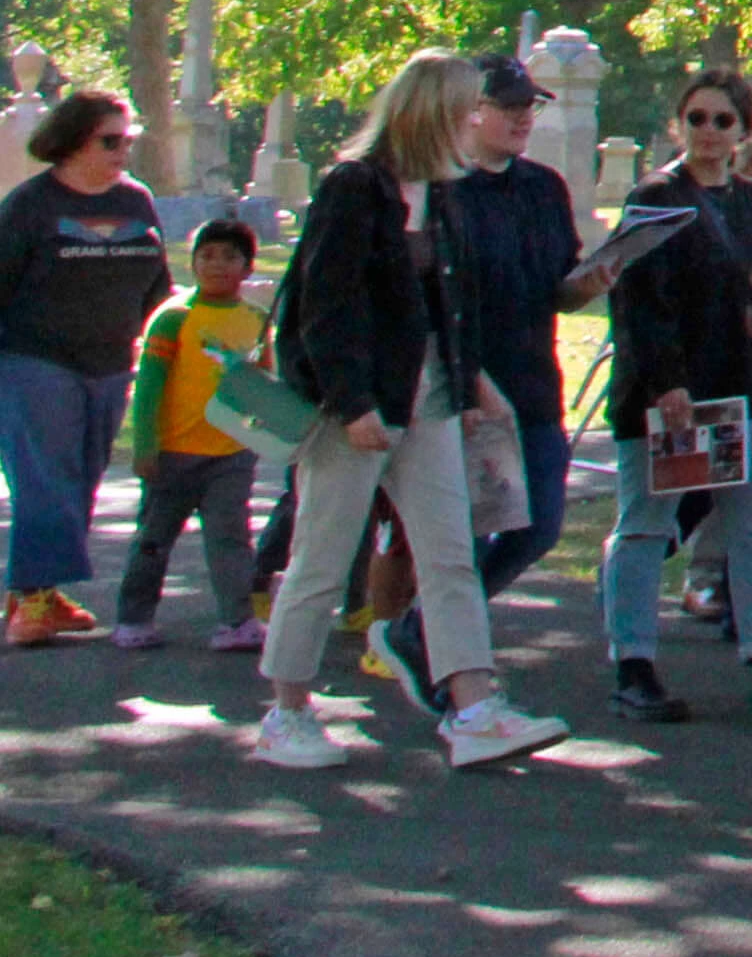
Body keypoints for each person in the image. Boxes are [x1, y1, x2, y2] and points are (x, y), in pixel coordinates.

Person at [251, 55, 569, 774]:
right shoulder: (353, 187)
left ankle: (474, 706)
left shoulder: (443, 192)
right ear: (431, 112)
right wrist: (353, 402)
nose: (474, 124)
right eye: (465, 110)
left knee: (451, 550)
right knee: (324, 558)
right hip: (358, 399)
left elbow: (440, 304)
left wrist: (471, 381)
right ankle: (287, 710)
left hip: (428, 391)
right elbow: (325, 305)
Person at [600, 68, 752, 724]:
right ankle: (634, 665)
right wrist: (667, 385)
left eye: (722, 121)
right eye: (696, 119)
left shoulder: (744, 199)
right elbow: (639, 301)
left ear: (743, 131)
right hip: (669, 393)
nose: (708, 132)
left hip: (738, 387)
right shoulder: (654, 196)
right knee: (646, 527)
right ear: (677, 125)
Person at [444, 54, 604, 676]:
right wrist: (467, 386)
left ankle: (427, 628)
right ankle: (442, 643)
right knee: (462, 534)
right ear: (470, 110)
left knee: (538, 526)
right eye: (508, 105)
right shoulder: (444, 189)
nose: (521, 118)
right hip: (463, 391)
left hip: (534, 385)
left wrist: (591, 283)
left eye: (528, 106)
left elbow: (560, 287)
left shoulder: (544, 187)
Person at [0, 88, 168, 646]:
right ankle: (34, 603)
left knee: (84, 478)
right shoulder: (30, 206)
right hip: (34, 360)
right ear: (73, 142)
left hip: (111, 361)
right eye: (111, 141)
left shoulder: (136, 202)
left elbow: (157, 287)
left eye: (129, 141)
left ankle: (35, 591)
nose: (123, 151)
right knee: (47, 477)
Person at [119, 215, 270, 650]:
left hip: (230, 454)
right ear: (192, 262)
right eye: (207, 256)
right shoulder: (173, 318)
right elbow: (148, 386)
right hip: (172, 452)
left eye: (229, 257)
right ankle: (134, 618)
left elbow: (263, 386)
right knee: (153, 539)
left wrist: (262, 436)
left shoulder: (256, 320)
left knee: (230, 539)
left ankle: (236, 621)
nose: (217, 265)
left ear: (248, 267)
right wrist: (145, 444)